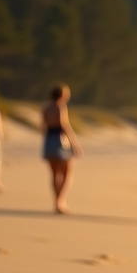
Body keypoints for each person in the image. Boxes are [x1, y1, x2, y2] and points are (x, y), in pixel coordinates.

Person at [40, 84, 82, 214]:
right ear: (63, 95)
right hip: (60, 140)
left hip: (49, 140)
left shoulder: (46, 108)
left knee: (54, 174)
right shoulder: (60, 107)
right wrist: (74, 144)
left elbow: (43, 127)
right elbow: (64, 125)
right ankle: (61, 201)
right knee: (67, 172)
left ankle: (56, 202)